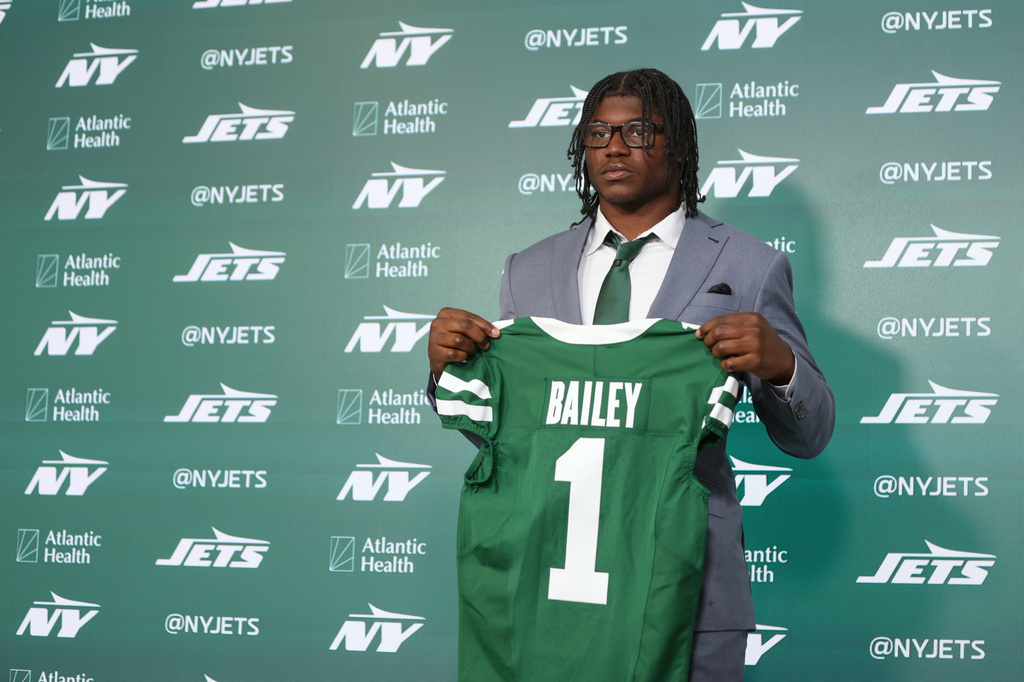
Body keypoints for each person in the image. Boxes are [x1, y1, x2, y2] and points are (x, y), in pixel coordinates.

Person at [427, 68, 834, 682]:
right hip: (551, 577)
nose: (614, 147)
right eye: (598, 132)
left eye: (638, 131)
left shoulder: (751, 264)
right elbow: (519, 433)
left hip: (688, 584)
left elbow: (811, 436)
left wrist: (781, 368)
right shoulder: (528, 269)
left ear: (680, 145)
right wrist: (447, 375)